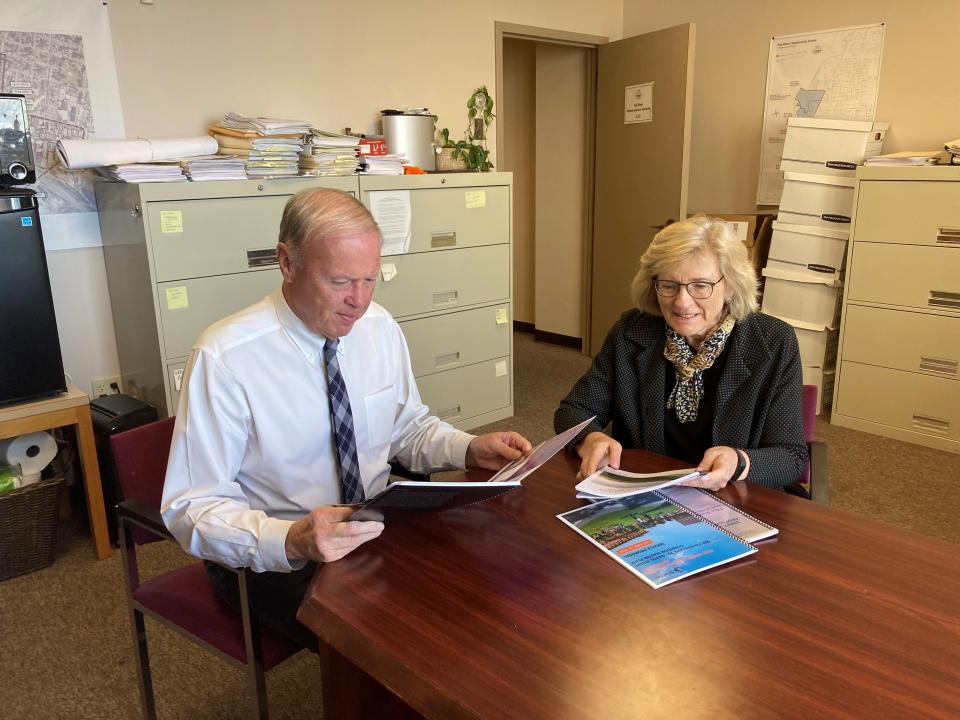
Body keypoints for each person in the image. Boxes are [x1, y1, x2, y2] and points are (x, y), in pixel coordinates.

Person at [162, 188, 531, 649]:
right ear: (287, 262)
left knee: (480, 586)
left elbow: (406, 428)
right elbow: (191, 507)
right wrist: (292, 540)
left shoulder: (378, 328)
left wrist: (467, 447)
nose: (358, 301)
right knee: (403, 637)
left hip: (374, 522)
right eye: (339, 282)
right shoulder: (225, 356)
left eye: (370, 280)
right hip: (276, 554)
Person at [554, 215, 807, 490]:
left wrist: (739, 461)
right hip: (645, 495)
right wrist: (591, 439)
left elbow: (790, 457)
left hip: (733, 498)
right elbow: (574, 410)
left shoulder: (772, 342)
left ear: (731, 285)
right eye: (669, 285)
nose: (682, 302)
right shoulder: (631, 332)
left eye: (701, 285)